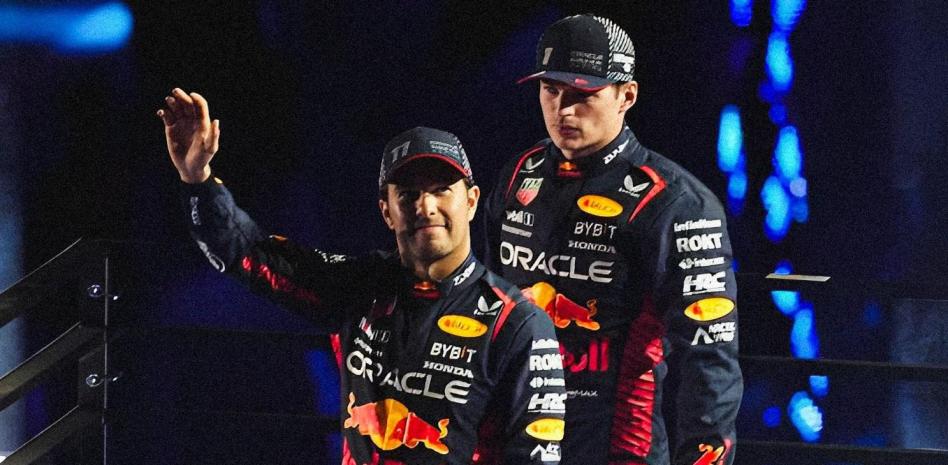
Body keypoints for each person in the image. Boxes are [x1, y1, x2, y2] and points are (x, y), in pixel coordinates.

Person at [157, 88, 566, 465]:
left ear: (472, 202)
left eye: (442, 189)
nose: (425, 206)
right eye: (408, 194)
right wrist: (197, 179)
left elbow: (537, 456)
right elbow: (246, 253)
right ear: (387, 211)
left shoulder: (518, 322)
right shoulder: (359, 287)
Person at [484, 14, 742, 465]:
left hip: (618, 448)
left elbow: (709, 358)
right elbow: (485, 309)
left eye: (583, 93)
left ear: (627, 96)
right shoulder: (518, 176)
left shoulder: (677, 203)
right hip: (518, 441)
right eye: (551, 89)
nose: (563, 109)